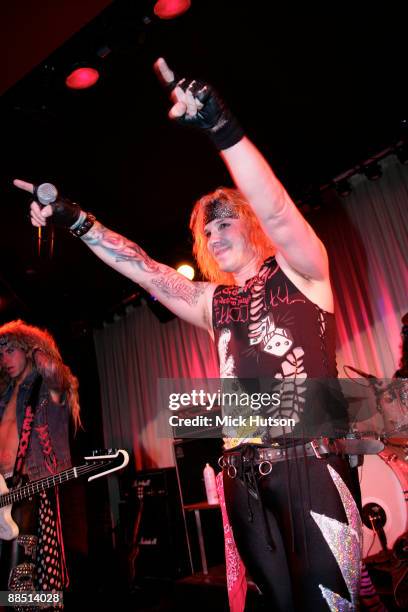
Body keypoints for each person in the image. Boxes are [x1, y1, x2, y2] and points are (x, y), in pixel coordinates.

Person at [14, 58, 363, 611]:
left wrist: (223, 130)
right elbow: (145, 267)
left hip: (311, 465)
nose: (215, 232)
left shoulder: (304, 270)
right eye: (207, 227)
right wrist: (78, 222)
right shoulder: (213, 302)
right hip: (243, 479)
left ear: (247, 226)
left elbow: (275, 209)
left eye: (225, 221)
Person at [0, 320, 81, 605]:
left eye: (11, 350)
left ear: (26, 349)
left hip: (30, 491)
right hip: (1, 492)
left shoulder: (46, 390)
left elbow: (57, 377)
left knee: (26, 585)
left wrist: (36, 348)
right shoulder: (5, 395)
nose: (5, 358)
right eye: (1, 354)